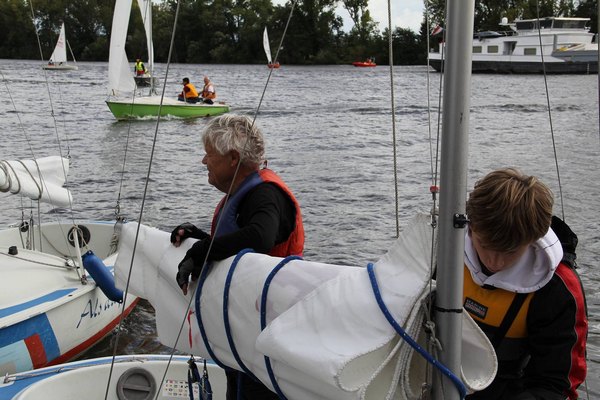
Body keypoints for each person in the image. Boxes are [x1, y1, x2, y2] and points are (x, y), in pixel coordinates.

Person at [171, 114, 304, 400]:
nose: (203, 161)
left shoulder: (266, 195)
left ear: (233, 158)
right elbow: (241, 241)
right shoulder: (247, 194)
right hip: (244, 333)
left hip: (265, 339)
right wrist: (200, 238)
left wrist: (202, 250)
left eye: (209, 154)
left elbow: (260, 237)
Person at [463, 168, 587, 400]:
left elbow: (555, 384)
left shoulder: (557, 288)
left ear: (532, 241)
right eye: (485, 245)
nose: (494, 262)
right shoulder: (443, 250)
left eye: (510, 251)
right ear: (470, 228)